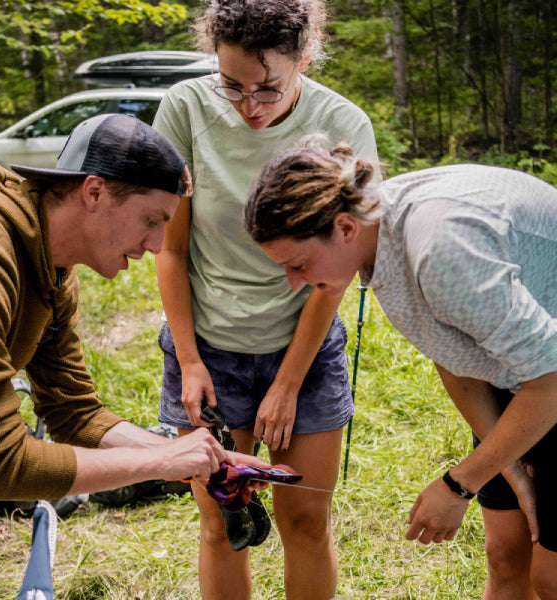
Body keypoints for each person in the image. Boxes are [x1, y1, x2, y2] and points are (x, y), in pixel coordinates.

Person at [0, 113, 267, 600]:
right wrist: (162, 460)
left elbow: (73, 411)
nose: (158, 245)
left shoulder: (53, 264)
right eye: (151, 221)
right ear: (95, 192)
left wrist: (201, 461)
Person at [244, 136, 557, 600]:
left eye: (299, 264)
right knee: (507, 556)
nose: (295, 284)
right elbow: (454, 353)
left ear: (345, 227)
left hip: (546, 380)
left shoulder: (439, 250)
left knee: (549, 579)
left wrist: (458, 484)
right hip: (521, 376)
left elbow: (551, 380)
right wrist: (508, 468)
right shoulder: (379, 239)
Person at [152, 1, 379, 598]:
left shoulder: (345, 123)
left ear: (304, 59)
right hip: (208, 349)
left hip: (302, 348)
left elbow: (336, 270)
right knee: (223, 522)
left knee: (304, 520)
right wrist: (190, 361)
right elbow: (170, 248)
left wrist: (287, 383)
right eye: (232, 85)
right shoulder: (184, 107)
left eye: (269, 89)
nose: (250, 107)